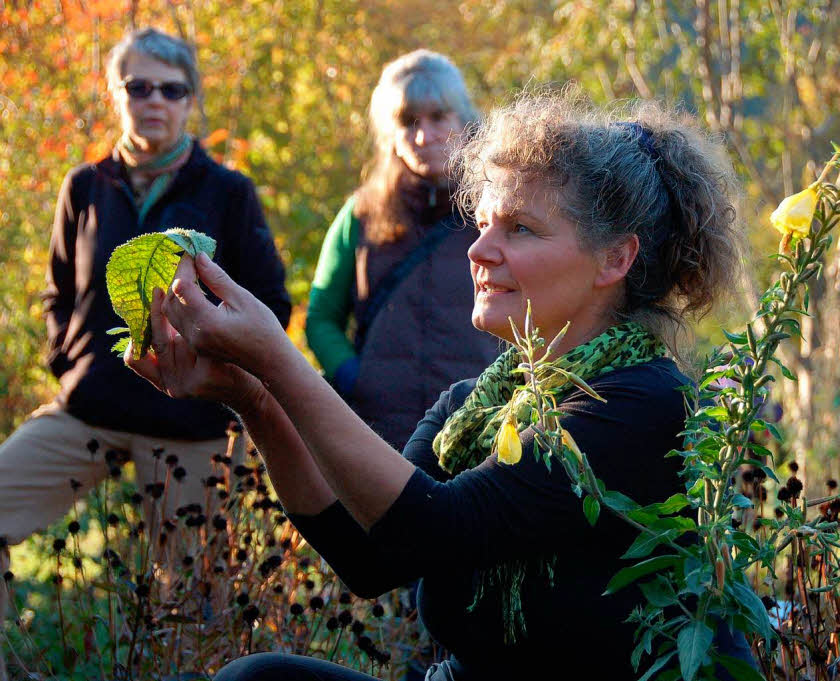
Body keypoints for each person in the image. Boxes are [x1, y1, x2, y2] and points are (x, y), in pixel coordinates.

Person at [126, 93, 754, 681]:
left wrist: (279, 359)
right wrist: (253, 396)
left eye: (521, 229)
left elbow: (433, 528)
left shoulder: (644, 403)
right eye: (482, 224)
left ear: (615, 259)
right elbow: (371, 555)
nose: (479, 249)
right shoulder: (475, 408)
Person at [0, 27, 291, 665]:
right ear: (115, 94)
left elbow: (269, 302)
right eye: (138, 86)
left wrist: (219, 378)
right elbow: (57, 292)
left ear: (191, 100)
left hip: (190, 424)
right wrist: (69, 362)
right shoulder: (84, 186)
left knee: (186, 605)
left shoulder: (228, 193)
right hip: (90, 410)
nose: (154, 100)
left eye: (171, 88)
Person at [306, 50, 497, 450]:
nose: (424, 136)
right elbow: (322, 317)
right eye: (409, 122)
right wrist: (354, 376)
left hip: (481, 432)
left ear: (464, 121)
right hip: (379, 435)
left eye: (437, 117)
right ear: (390, 134)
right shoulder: (361, 213)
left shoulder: (500, 208)